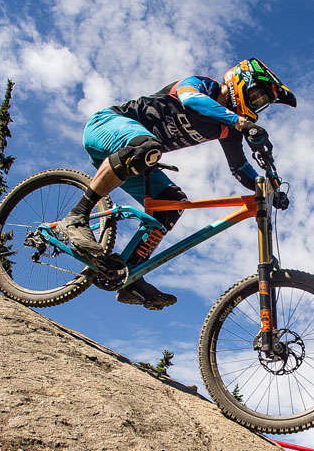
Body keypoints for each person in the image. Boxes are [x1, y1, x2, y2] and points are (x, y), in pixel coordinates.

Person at [58, 58, 296, 310]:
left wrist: (270, 189)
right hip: (106, 126)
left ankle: (131, 276)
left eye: (261, 103)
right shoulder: (203, 86)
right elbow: (191, 99)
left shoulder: (227, 129)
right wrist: (240, 122)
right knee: (148, 146)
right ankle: (76, 217)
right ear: (239, 80)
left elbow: (239, 169)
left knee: (171, 203)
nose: (256, 105)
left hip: (136, 159)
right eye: (257, 95)